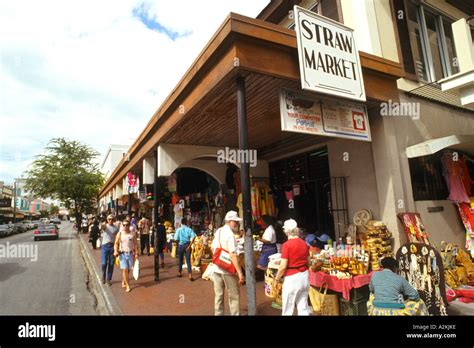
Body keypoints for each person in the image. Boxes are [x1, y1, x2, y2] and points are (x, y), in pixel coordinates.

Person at [211, 211, 245, 316]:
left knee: (218, 296)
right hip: (227, 270)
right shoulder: (230, 235)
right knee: (234, 296)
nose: (236, 224)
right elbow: (233, 255)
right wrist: (240, 273)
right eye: (235, 221)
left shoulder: (219, 231)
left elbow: (213, 247)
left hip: (216, 268)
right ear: (230, 221)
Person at [274, 219, 310, 316]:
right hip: (304, 276)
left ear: (286, 231)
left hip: (292, 278)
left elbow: (282, 266)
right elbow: (308, 262)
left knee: (287, 309)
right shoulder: (304, 243)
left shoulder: (286, 245)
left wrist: (276, 279)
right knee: (303, 307)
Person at [114, 219, 139, 292]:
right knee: (124, 269)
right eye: (123, 225)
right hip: (122, 253)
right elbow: (116, 243)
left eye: (127, 225)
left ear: (129, 225)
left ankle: (124, 280)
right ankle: (128, 285)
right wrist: (115, 251)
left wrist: (136, 253)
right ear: (122, 226)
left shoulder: (133, 234)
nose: (125, 226)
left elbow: (135, 244)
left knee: (128, 270)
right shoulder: (120, 234)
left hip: (130, 253)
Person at [100, 215, 120, 286]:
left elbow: (118, 235)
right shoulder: (105, 226)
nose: (110, 220)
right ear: (107, 220)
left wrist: (118, 247)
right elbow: (102, 227)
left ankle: (108, 279)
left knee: (111, 264)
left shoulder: (116, 227)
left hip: (112, 246)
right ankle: (103, 276)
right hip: (105, 246)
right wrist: (102, 223)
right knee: (104, 263)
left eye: (111, 219)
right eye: (109, 219)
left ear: (113, 219)